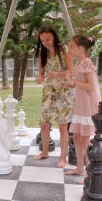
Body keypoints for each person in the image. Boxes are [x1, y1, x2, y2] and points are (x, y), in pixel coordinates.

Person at [32, 26, 74, 169]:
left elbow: (71, 71)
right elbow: (42, 74)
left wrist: (56, 74)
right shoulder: (42, 54)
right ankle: (45, 152)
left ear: (54, 37)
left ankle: (63, 157)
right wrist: (39, 77)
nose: (45, 43)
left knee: (63, 127)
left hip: (63, 92)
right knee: (44, 124)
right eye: (42, 40)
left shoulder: (63, 50)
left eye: (48, 39)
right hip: (48, 92)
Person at [64, 35, 101, 176]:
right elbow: (79, 83)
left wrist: (74, 83)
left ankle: (90, 170)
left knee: (84, 138)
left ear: (80, 48)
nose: (69, 48)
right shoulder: (79, 64)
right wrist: (69, 82)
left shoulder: (86, 63)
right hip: (80, 104)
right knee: (76, 137)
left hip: (87, 105)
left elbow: (90, 86)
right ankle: (80, 168)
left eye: (71, 46)